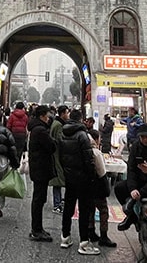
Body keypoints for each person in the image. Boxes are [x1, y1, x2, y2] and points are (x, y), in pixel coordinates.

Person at [59, 109, 100, 255]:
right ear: (81, 119)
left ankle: (65, 237)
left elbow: (60, 156)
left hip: (70, 177)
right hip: (83, 178)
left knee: (68, 207)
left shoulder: (63, 133)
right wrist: (92, 176)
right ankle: (83, 242)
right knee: (84, 210)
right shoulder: (83, 135)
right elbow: (89, 159)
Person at [27, 104, 56, 242]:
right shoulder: (40, 130)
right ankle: (36, 230)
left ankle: (38, 228)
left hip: (38, 168)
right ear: (41, 116)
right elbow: (51, 146)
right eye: (47, 115)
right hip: (40, 169)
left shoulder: (36, 129)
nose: (48, 118)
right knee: (39, 199)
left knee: (39, 198)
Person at [86, 129, 117, 247]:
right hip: (97, 185)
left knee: (90, 209)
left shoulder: (83, 149)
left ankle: (91, 231)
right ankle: (103, 236)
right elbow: (101, 172)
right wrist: (106, 187)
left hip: (86, 184)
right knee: (103, 210)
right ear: (96, 139)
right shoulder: (96, 152)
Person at [49, 105, 69, 213]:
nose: (68, 115)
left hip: (56, 155)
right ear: (62, 114)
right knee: (58, 181)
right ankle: (57, 204)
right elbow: (60, 140)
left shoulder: (57, 123)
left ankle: (59, 201)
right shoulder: (58, 125)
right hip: (57, 156)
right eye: (67, 113)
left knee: (58, 180)